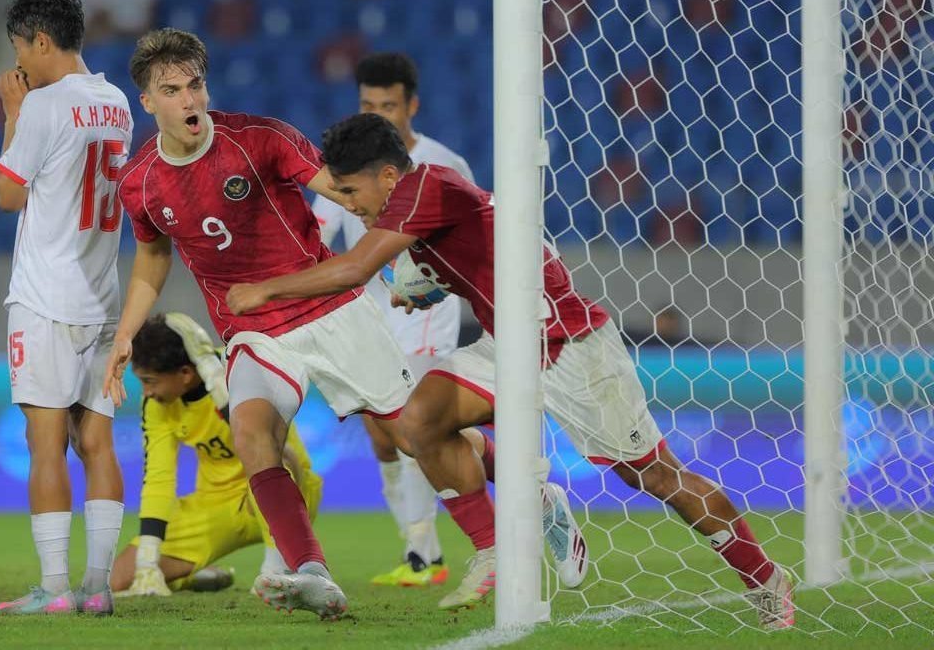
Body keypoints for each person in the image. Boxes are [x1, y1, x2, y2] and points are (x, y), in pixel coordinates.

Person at [226, 113, 796, 628]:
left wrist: (264, 289)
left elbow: (353, 269)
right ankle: (498, 545)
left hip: (570, 348)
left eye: (351, 190)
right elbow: (459, 260)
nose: (347, 203)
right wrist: (420, 286)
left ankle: (764, 577)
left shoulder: (427, 186)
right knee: (421, 419)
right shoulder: (420, 216)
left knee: (654, 479)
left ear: (388, 177)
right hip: (507, 348)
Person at [103, 27, 425, 620]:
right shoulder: (139, 182)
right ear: (147, 102)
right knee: (254, 432)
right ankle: (311, 571)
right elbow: (152, 257)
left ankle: (530, 485)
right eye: (172, 90)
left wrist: (401, 252)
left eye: (195, 84)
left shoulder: (259, 138)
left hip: (329, 307)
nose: (190, 100)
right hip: (253, 328)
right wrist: (126, 332)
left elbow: (341, 189)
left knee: (417, 439)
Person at [0, 0, 134, 616]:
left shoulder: (46, 107)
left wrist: (13, 114)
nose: (19, 60)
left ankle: (53, 591)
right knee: (97, 442)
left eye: (21, 47)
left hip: (47, 298)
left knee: (46, 444)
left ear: (40, 41)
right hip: (103, 298)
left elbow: (8, 194)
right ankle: (99, 588)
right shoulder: (118, 103)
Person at [311, 52, 474, 588]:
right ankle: (418, 548)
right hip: (371, 318)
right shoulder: (352, 167)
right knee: (384, 439)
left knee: (415, 427)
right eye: (368, 104)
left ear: (412, 105)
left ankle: (425, 557)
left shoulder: (443, 165)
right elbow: (319, 236)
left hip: (426, 315)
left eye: (388, 104)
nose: (379, 113)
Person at [111, 313, 323, 597]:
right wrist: (148, 560)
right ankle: (191, 578)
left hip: (284, 489)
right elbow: (159, 477)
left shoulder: (239, 369)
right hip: (216, 505)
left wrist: (219, 389)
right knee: (119, 578)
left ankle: (277, 567)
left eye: (150, 381)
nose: (147, 392)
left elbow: (272, 449)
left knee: (267, 461)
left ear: (185, 373)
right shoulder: (157, 404)